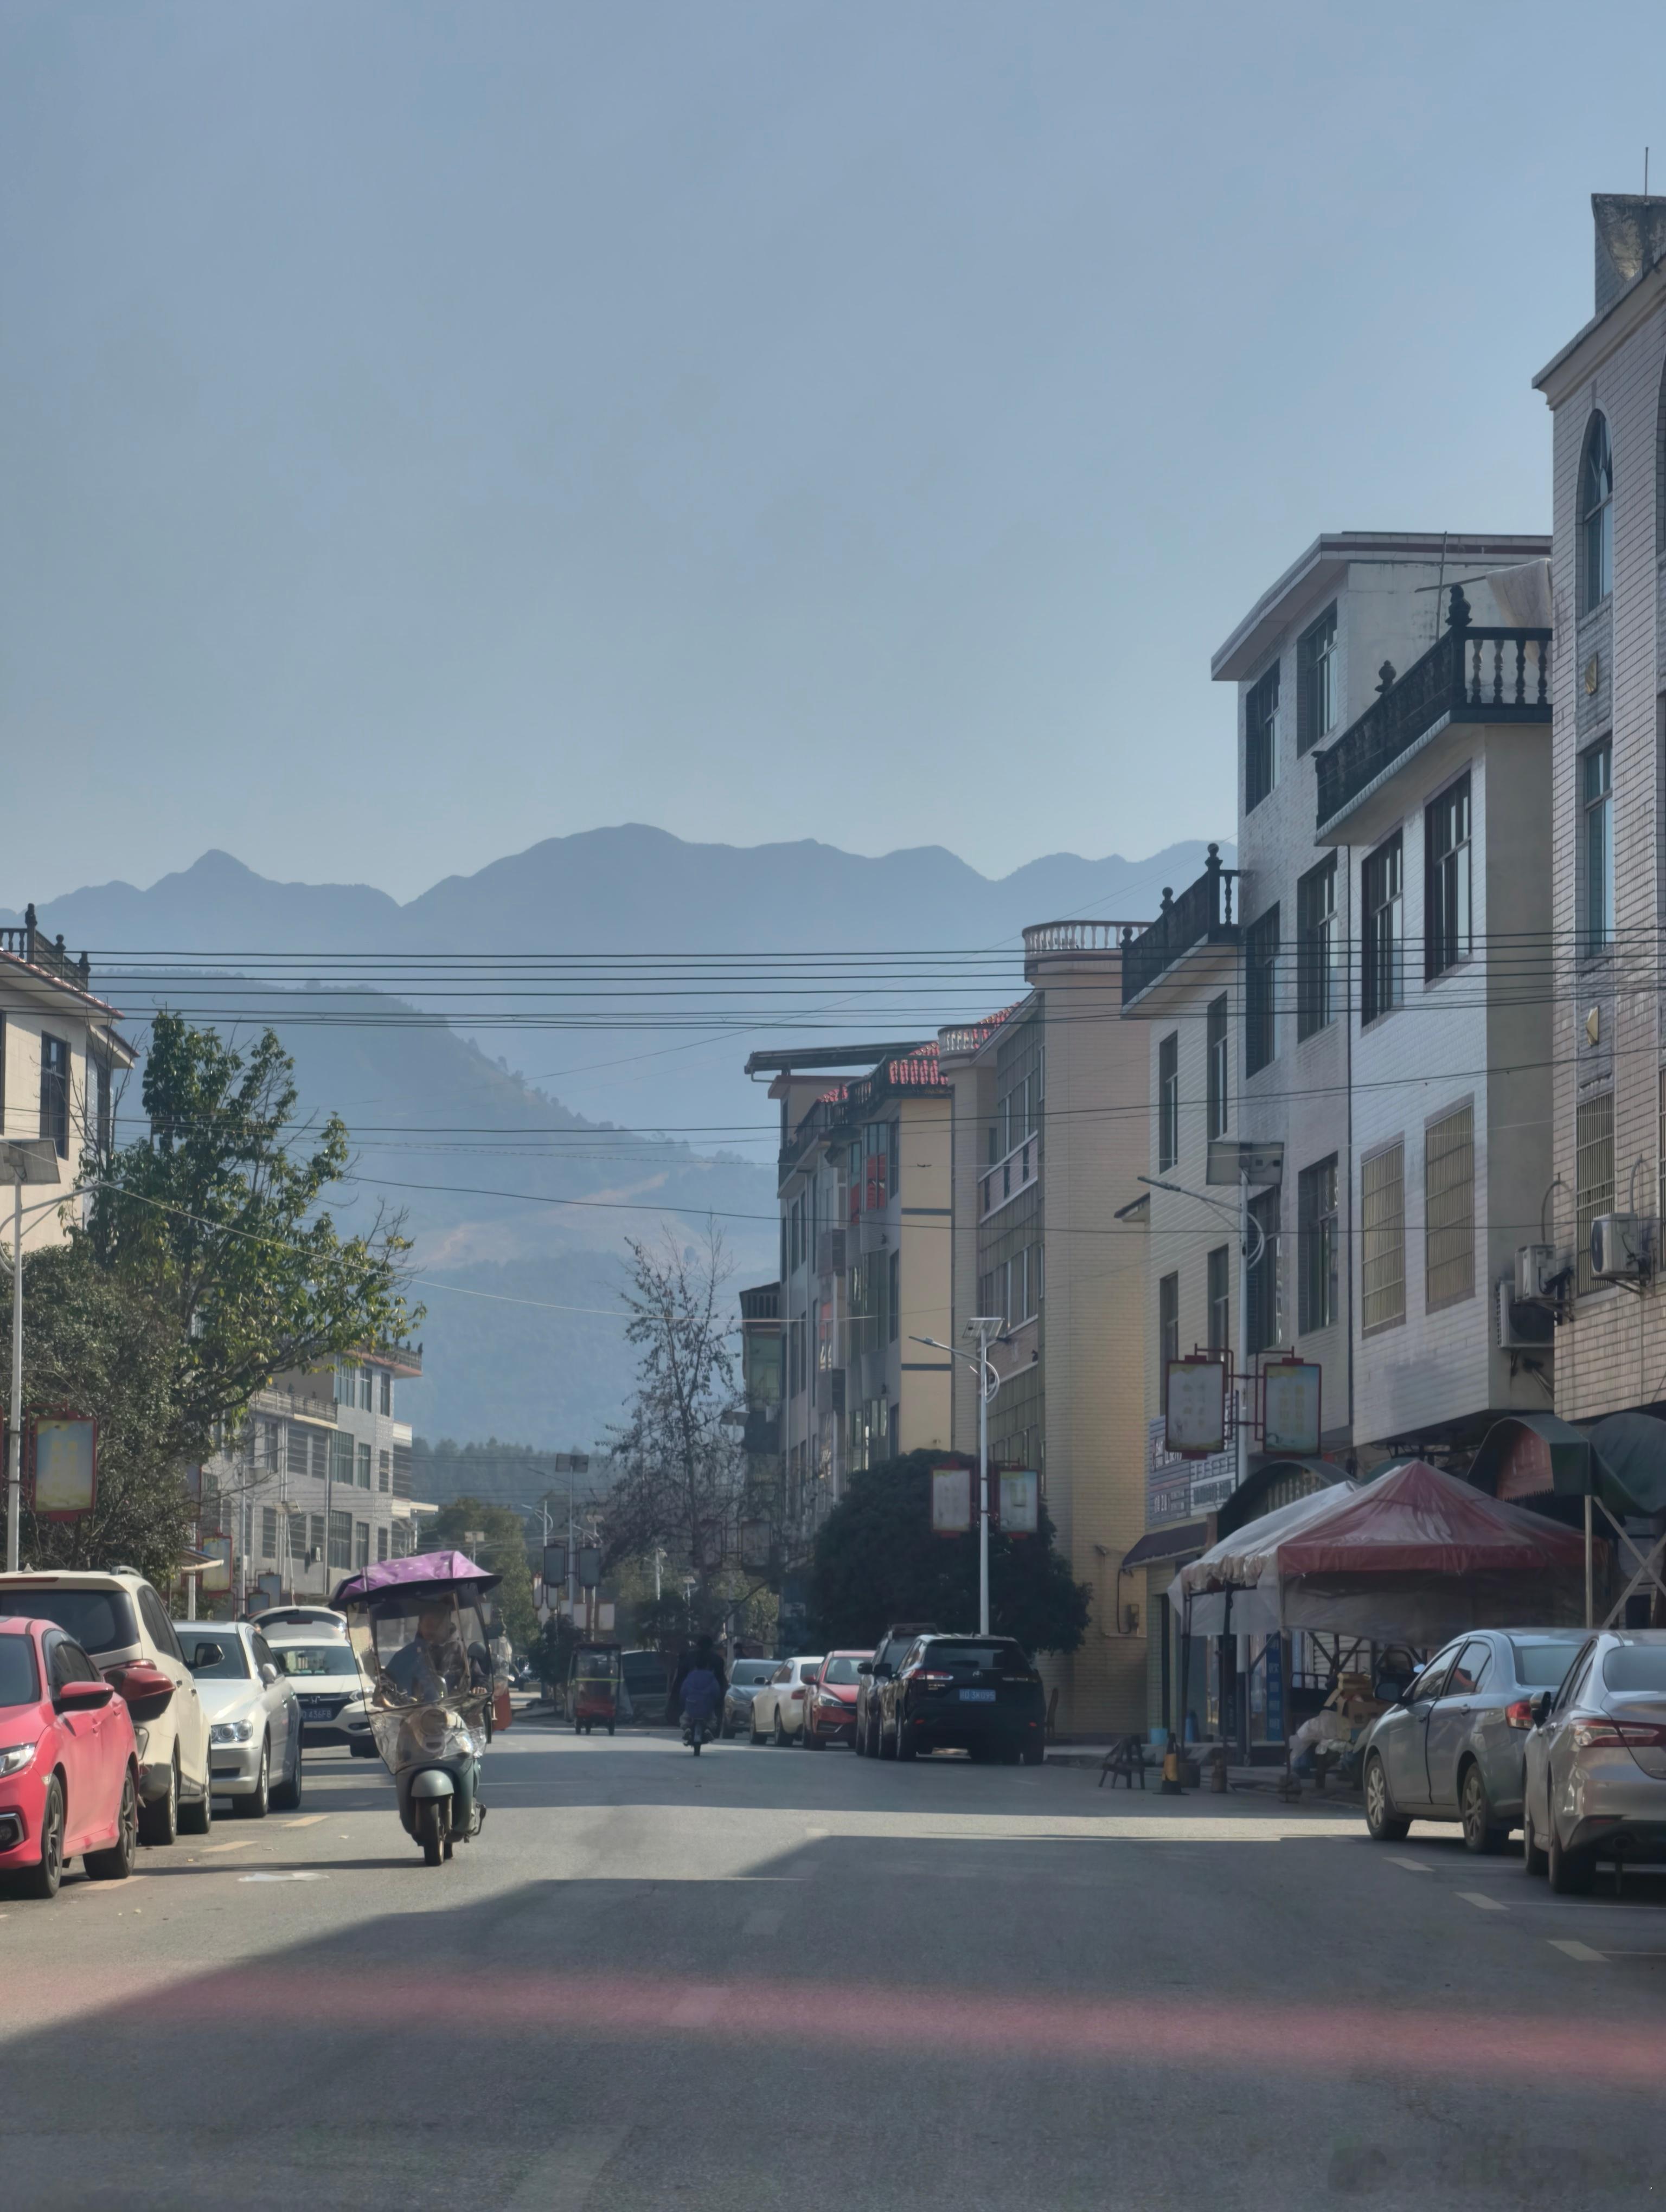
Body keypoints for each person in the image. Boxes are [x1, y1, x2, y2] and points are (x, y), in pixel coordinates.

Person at [680, 1657, 721, 1743]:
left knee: (684, 1718)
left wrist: (685, 1700)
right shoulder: (711, 1677)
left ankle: (687, 1728)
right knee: (712, 1719)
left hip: (691, 1704)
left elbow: (683, 1691)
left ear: (696, 1666)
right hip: (707, 1706)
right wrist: (715, 1701)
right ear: (707, 1666)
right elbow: (716, 1691)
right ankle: (709, 1729)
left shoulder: (690, 1676)